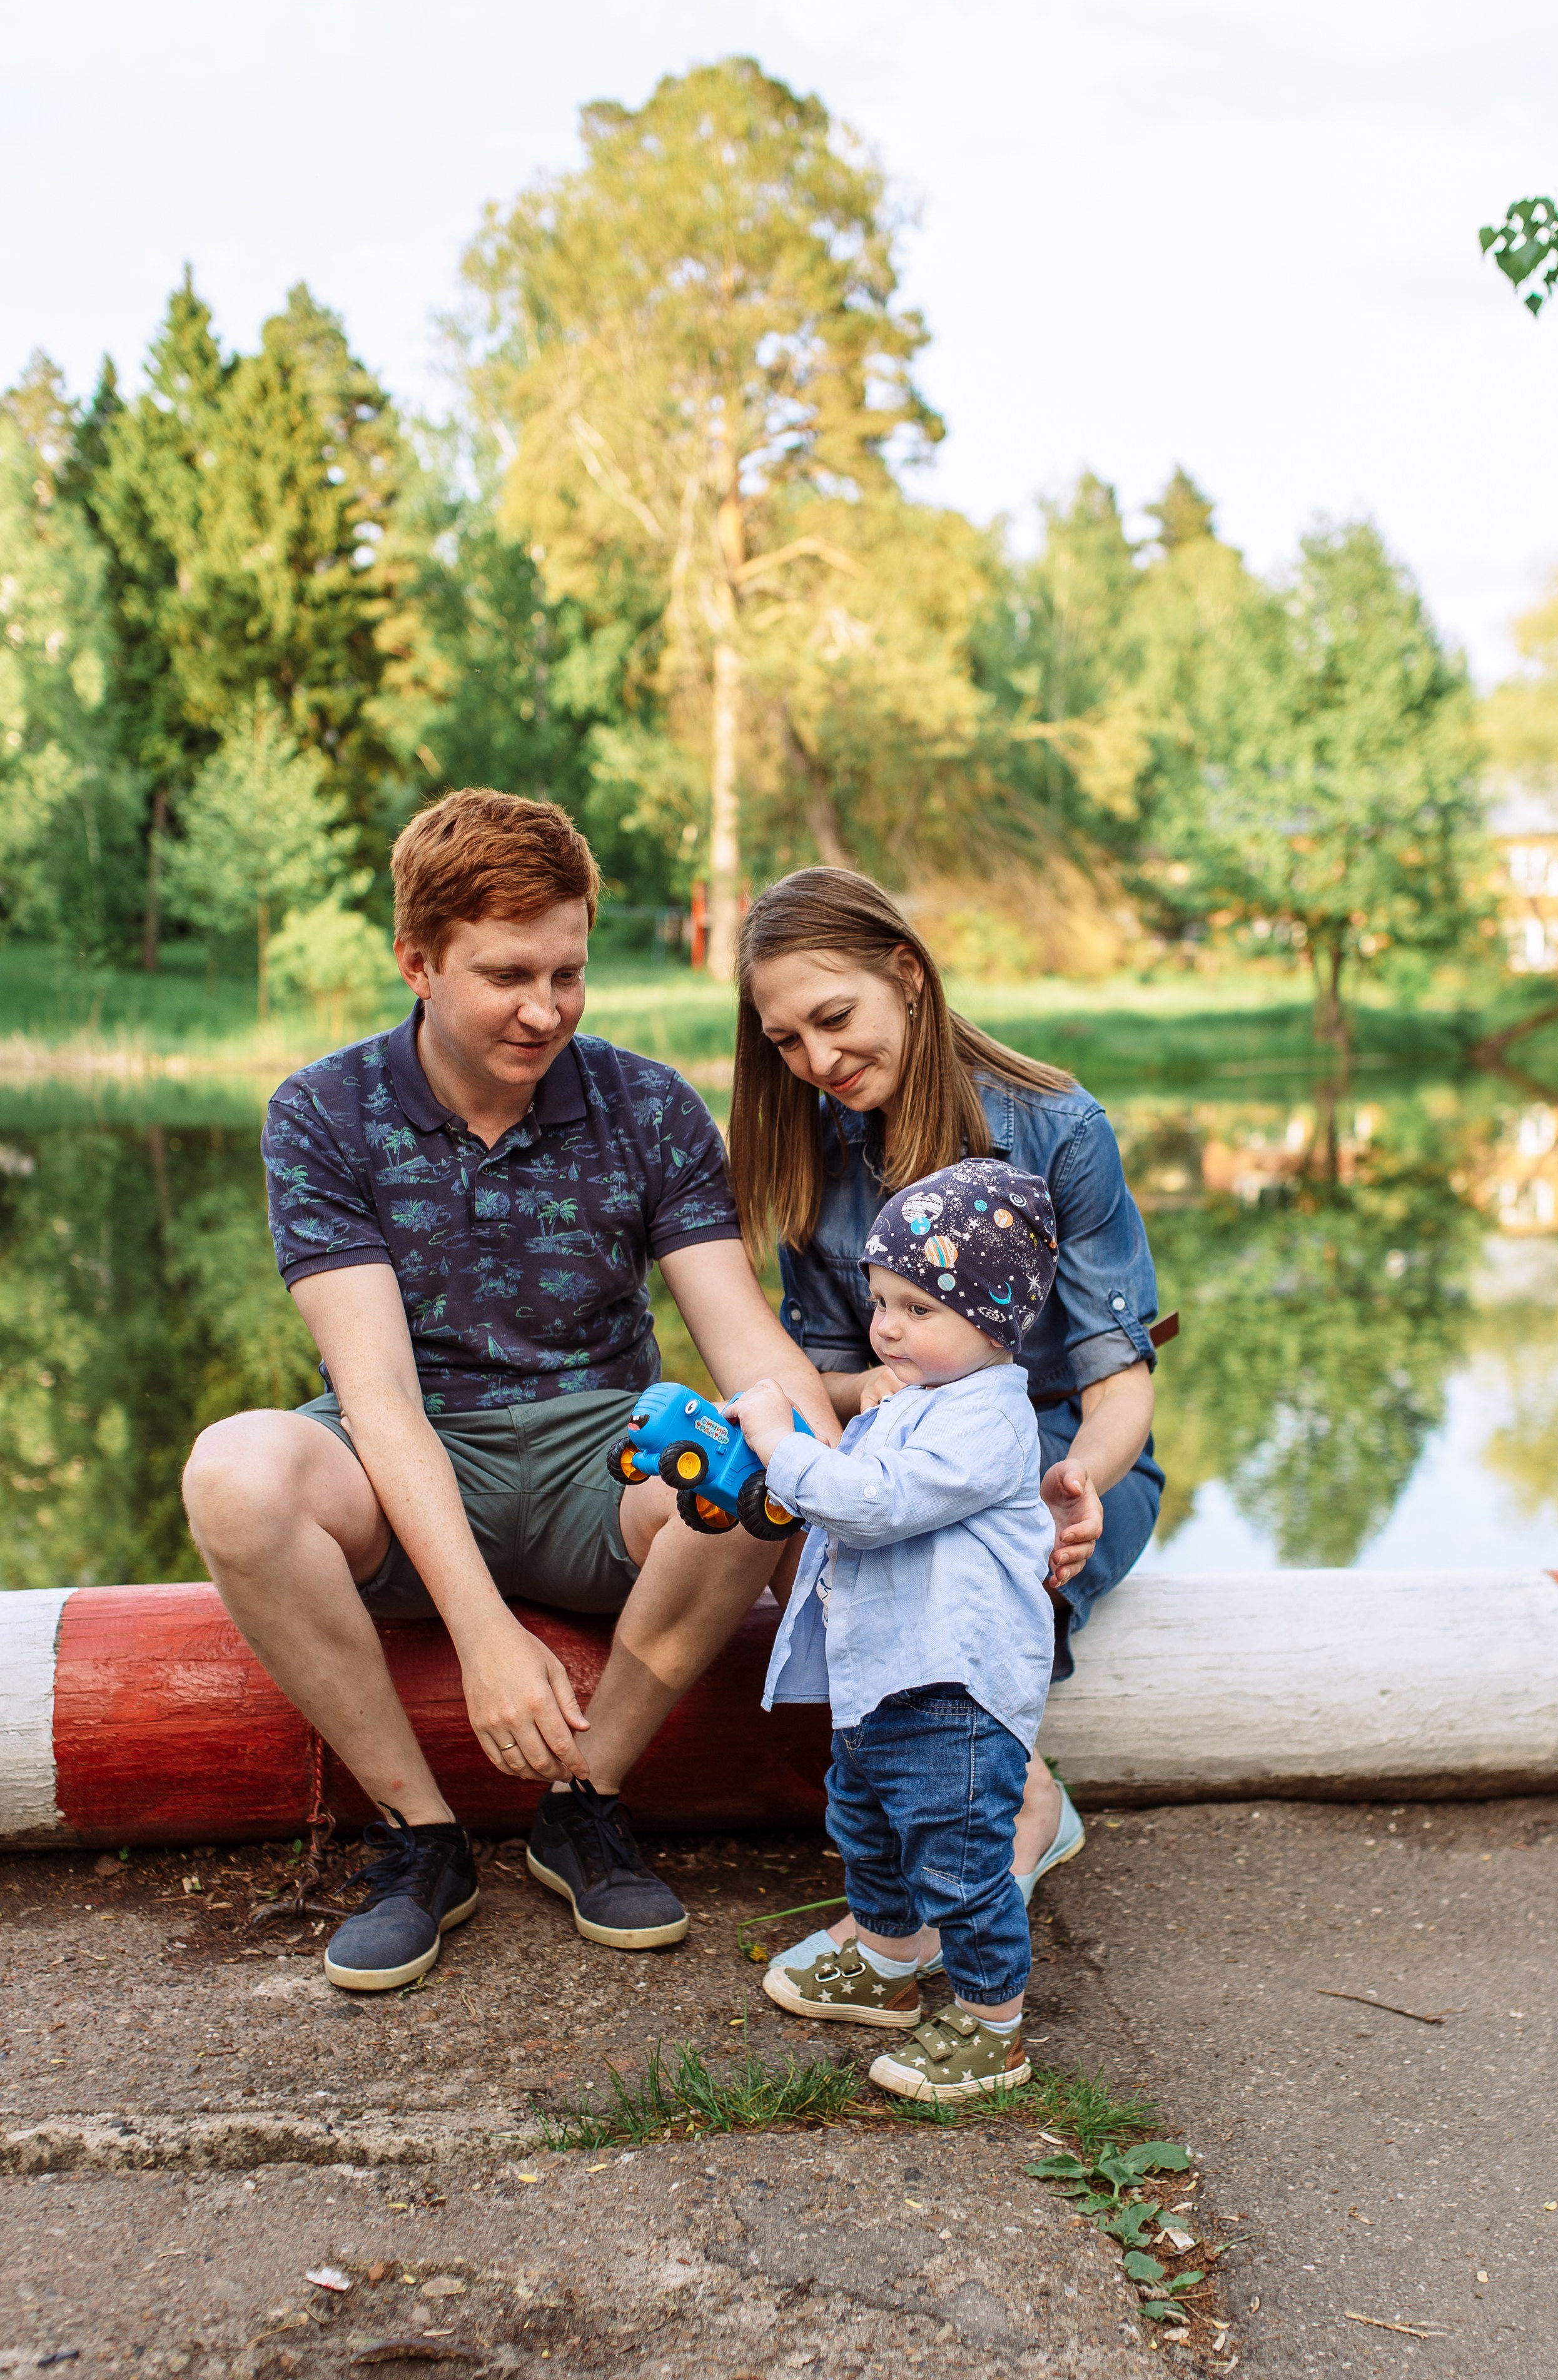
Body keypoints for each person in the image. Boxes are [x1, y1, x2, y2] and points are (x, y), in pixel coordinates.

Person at [181, 789, 837, 1992]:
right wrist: (484, 1634)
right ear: (418, 963)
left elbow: (749, 1345)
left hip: (605, 1463)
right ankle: (419, 1836)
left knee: (765, 1451)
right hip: (409, 1453)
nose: (546, 1011)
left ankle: (584, 1802)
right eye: (507, 976)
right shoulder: (322, 1113)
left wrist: (846, 1478)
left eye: (568, 974)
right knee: (233, 1470)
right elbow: (378, 1396)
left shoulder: (650, 1107)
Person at [729, 866, 1163, 1978]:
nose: (818, 1060)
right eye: (786, 1041)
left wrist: (1081, 1484)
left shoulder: (1058, 1130)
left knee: (962, 1558)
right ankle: (950, 1828)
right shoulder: (816, 1146)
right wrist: (855, 1399)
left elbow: (1119, 1383)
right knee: (825, 1523)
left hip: (1052, 1455)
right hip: (898, 1460)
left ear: (907, 975)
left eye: (836, 1017)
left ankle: (1001, 1821)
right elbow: (828, 1377)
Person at [735, 1157, 1061, 2102]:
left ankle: (993, 2027)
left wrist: (779, 1440)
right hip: (882, 1676)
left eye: (919, 1308)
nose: (885, 1327)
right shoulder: (923, 1402)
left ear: (996, 1319)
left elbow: (872, 1506)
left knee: (958, 1862)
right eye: (881, 1301)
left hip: (953, 1689)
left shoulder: (990, 1421)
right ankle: (887, 1964)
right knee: (869, 1831)